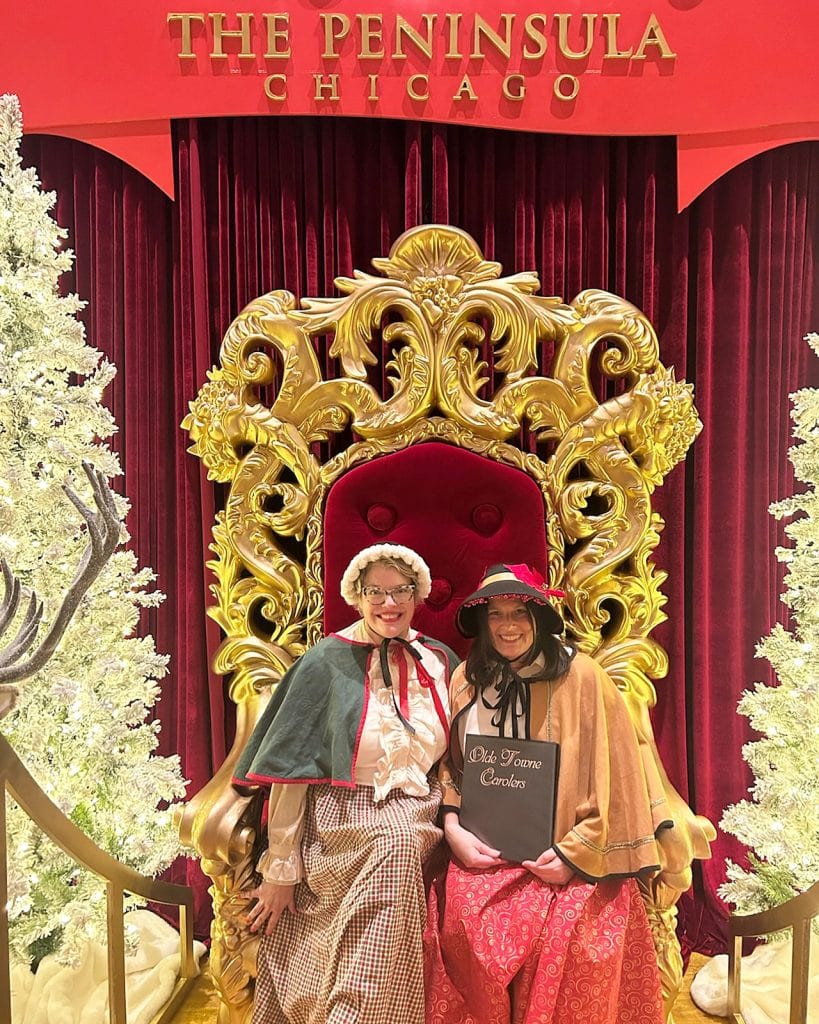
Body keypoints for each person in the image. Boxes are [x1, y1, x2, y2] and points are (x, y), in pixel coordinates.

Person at [424, 563, 670, 1024]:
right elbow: (452, 768)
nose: (508, 626)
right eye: (495, 614)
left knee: (577, 938)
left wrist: (574, 855)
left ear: (540, 617)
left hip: (572, 856)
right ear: (482, 622)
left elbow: (618, 778)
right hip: (485, 855)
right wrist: (453, 826)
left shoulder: (584, 678)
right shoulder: (466, 681)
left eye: (519, 612)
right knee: (463, 926)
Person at [232, 543, 458, 1024]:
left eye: (400, 590)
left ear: (417, 595)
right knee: (393, 847)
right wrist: (280, 868)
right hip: (336, 815)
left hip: (416, 806)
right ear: (356, 596)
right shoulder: (324, 662)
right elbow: (292, 772)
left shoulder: (438, 661)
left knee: (397, 843)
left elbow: (464, 753)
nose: (388, 603)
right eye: (375, 591)